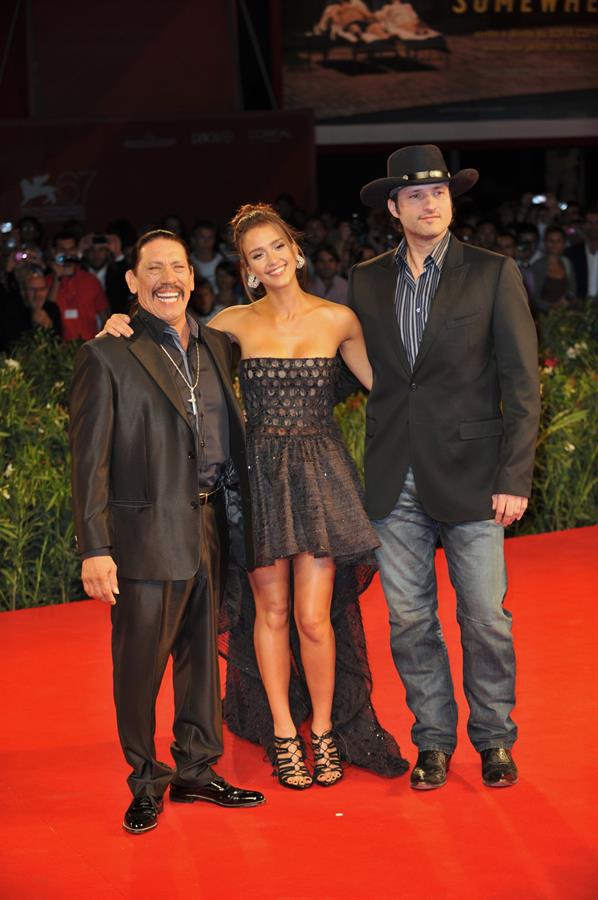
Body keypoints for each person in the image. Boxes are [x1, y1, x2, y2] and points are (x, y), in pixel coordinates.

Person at [101, 206, 408, 791]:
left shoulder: (339, 319)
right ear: (246, 269)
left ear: (296, 249)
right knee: (269, 612)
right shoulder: (230, 324)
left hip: (320, 476)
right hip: (258, 479)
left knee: (315, 619)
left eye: (276, 248)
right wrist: (122, 322)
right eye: (255, 256)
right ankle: (284, 733)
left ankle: (323, 730)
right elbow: (167, 348)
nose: (270, 261)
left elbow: (387, 388)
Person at [344, 144, 540, 791]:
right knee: (409, 620)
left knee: (485, 616)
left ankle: (495, 739)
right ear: (394, 208)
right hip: (392, 474)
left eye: (440, 192)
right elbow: (339, 352)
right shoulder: (365, 280)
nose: (432, 203)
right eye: (417, 195)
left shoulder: (492, 272)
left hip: (475, 474)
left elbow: (522, 385)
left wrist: (514, 476)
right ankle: (432, 739)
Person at [69, 229, 264, 834]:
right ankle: (145, 778)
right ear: (132, 283)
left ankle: (197, 770)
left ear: (193, 277)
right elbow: (89, 461)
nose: (167, 278)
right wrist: (95, 548)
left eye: (177, 267)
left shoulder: (219, 346)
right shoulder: (107, 355)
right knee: (139, 665)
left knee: (201, 657)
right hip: (143, 536)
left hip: (210, 524)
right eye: (153, 268)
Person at [48, 232, 109, 341]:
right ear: (54, 252)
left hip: (88, 346)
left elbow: (105, 317)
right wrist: (57, 277)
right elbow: (45, 313)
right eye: (62, 250)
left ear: (76, 251)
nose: (67, 254)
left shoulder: (91, 280)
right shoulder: (47, 281)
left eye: (71, 249)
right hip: (58, 350)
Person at [530, 225, 577, 314]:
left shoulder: (567, 263)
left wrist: (567, 300)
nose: (554, 244)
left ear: (564, 243)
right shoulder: (538, 266)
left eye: (558, 241)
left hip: (566, 316)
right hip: (545, 317)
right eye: (551, 240)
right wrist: (552, 306)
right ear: (545, 243)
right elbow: (533, 297)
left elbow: (572, 290)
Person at [566, 207, 598, 298]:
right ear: (583, 225)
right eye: (590, 223)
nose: (594, 227)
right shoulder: (572, 253)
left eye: (597, 223)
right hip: (579, 309)